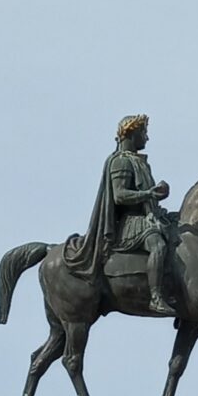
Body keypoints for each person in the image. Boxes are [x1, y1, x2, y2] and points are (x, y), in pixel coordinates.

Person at [63, 114, 177, 316]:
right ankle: (156, 297)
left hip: (146, 217)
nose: (147, 139)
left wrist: (157, 193)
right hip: (130, 223)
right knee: (157, 245)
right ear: (132, 134)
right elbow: (120, 195)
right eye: (144, 133)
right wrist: (148, 193)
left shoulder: (138, 161)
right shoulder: (121, 162)